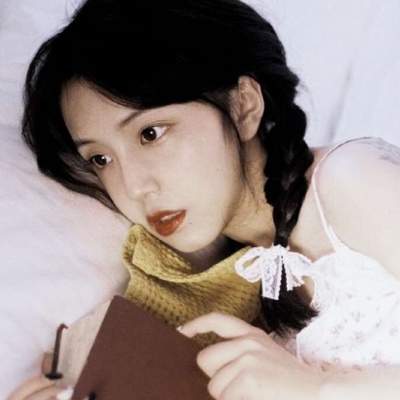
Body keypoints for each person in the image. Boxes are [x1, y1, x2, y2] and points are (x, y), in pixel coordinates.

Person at [9, 0, 400, 398]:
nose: (134, 188)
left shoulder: (350, 179)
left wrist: (317, 388)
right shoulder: (243, 290)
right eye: (101, 159)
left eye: (150, 134)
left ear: (243, 105)